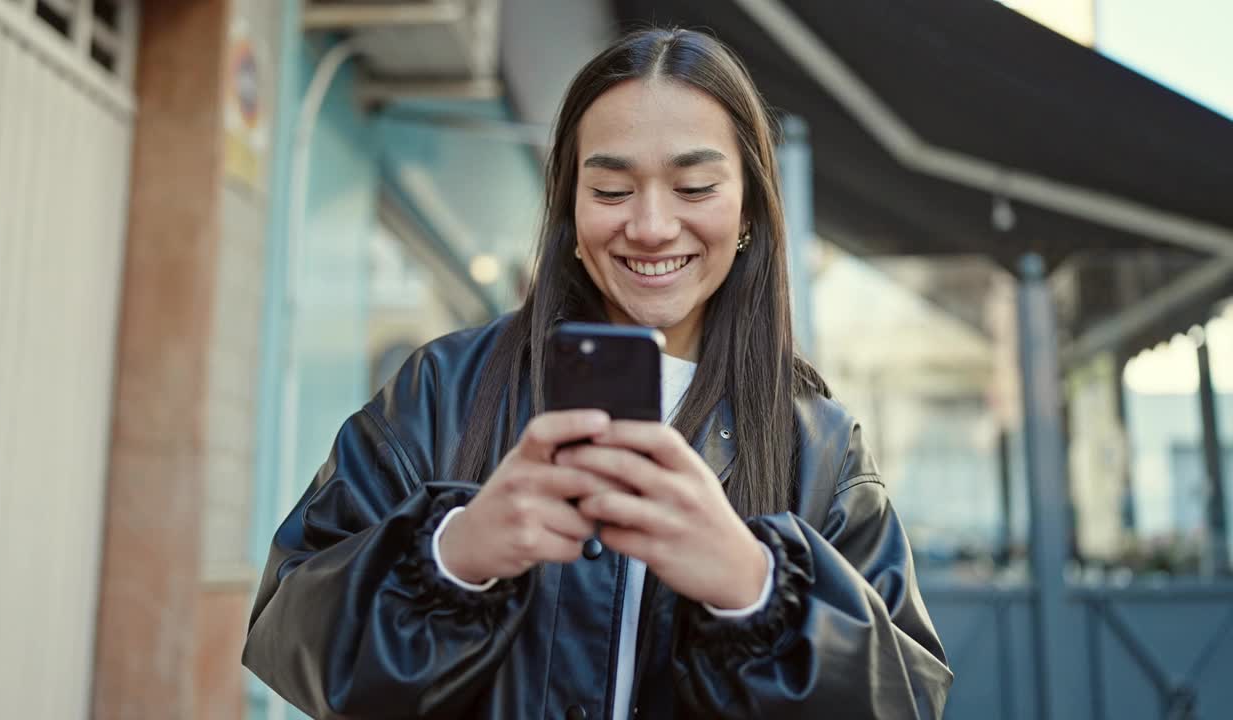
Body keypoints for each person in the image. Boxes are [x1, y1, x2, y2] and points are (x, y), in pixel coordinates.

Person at [243, 28, 952, 720]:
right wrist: (455, 553)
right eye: (611, 191)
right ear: (570, 211)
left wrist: (756, 585)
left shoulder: (820, 447)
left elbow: (907, 697)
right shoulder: (443, 387)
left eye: (695, 186)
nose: (649, 226)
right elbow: (288, 631)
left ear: (748, 212)